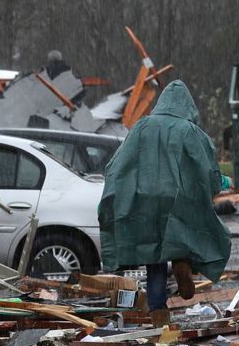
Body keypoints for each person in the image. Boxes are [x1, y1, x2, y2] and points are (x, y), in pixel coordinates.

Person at [99, 80, 231, 325]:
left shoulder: (142, 127)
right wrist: (218, 182)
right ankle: (182, 262)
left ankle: (158, 311)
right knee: (183, 236)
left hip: (146, 199)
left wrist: (117, 192)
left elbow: (118, 164)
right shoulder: (189, 131)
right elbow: (206, 168)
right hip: (179, 198)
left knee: (154, 257)